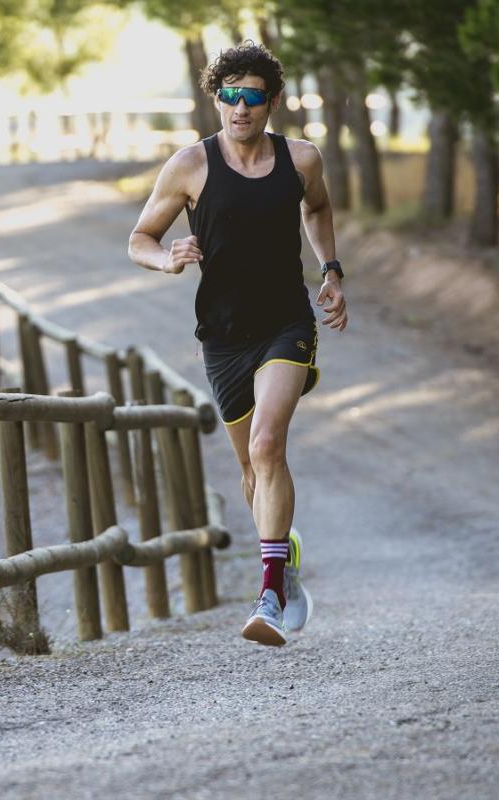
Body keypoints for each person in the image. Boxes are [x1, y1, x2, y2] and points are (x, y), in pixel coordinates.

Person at [127, 42, 347, 646]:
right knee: (252, 470)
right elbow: (139, 238)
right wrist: (167, 259)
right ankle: (287, 561)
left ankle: (270, 595)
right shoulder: (189, 166)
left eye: (252, 96)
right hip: (221, 336)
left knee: (268, 443)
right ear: (215, 98)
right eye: (229, 95)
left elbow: (319, 209)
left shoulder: (300, 159)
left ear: (273, 102)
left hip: (286, 324)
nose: (240, 107)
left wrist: (330, 270)